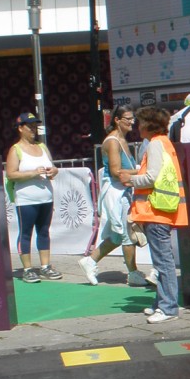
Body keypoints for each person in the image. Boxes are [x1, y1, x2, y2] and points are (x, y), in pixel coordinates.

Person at [119, 106, 188, 324]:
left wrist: (130, 180)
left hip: (156, 210)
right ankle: (162, 303)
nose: (137, 127)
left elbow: (152, 177)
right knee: (162, 262)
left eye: (140, 123)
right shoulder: (164, 142)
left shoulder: (156, 144)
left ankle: (167, 307)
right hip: (161, 209)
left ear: (148, 125)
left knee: (163, 263)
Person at [79, 105, 149, 286]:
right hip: (117, 194)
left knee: (119, 236)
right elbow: (117, 171)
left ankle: (90, 260)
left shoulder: (120, 140)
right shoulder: (112, 142)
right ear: (117, 120)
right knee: (126, 235)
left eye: (133, 118)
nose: (132, 122)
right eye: (128, 118)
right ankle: (133, 273)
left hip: (122, 192)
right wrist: (142, 171)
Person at [5, 112, 61, 282]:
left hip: (46, 197)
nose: (33, 130)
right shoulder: (15, 150)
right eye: (30, 126)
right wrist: (32, 173)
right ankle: (27, 268)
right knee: (26, 233)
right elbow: (11, 174)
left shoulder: (42, 147)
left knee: (44, 232)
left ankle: (45, 266)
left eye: (35, 126)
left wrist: (54, 171)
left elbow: (53, 167)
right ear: (20, 128)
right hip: (26, 200)